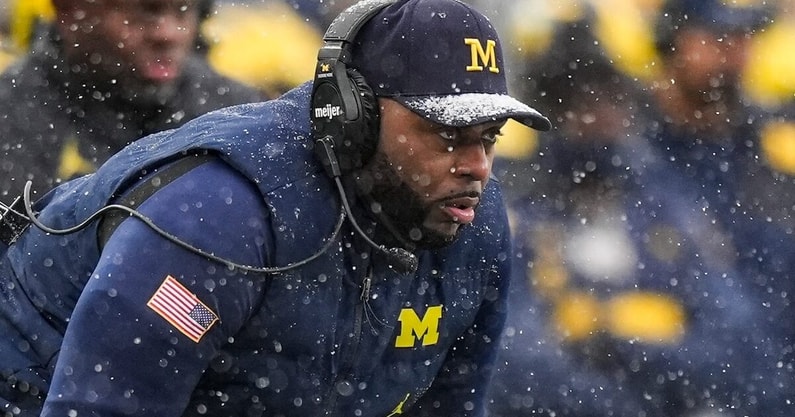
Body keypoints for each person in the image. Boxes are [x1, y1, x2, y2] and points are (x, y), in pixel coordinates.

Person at [0, 0, 551, 416]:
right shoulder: (219, 218)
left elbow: (452, 404)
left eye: (489, 137)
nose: (477, 167)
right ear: (353, 120)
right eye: (448, 135)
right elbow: (101, 404)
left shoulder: (475, 221)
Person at [487, 1, 795, 415]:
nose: (599, 115)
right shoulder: (507, 199)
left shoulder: (659, 197)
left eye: (613, 96)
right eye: (575, 97)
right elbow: (502, 360)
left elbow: (742, 348)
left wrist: (621, 341)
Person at [0, 0, 265, 201]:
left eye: (184, 11)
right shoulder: (10, 116)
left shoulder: (236, 113)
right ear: (71, 11)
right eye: (146, 12)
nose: (169, 34)